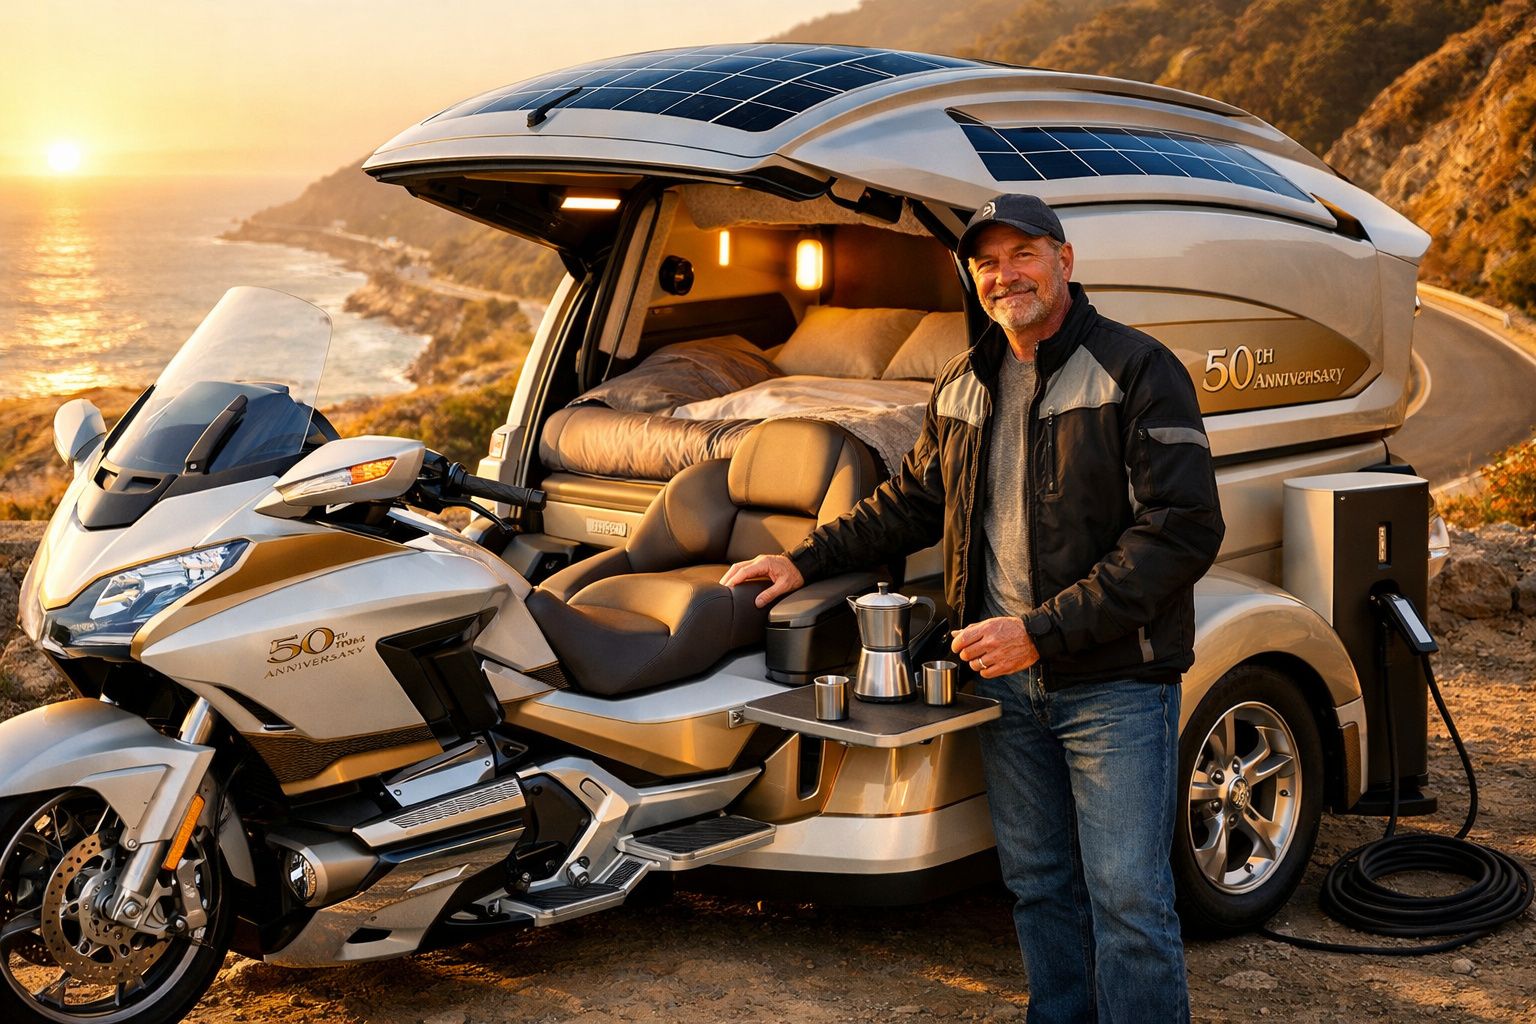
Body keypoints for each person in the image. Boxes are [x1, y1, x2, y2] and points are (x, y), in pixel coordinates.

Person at [720, 193, 1224, 1023]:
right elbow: (913, 500)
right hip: (999, 682)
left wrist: (1041, 630)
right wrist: (802, 557)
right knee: (1036, 887)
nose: (1004, 274)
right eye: (985, 262)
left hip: (1112, 684)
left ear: (1066, 260)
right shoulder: (962, 380)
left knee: (1129, 901)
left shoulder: (1137, 369)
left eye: (1023, 253)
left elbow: (1181, 532)